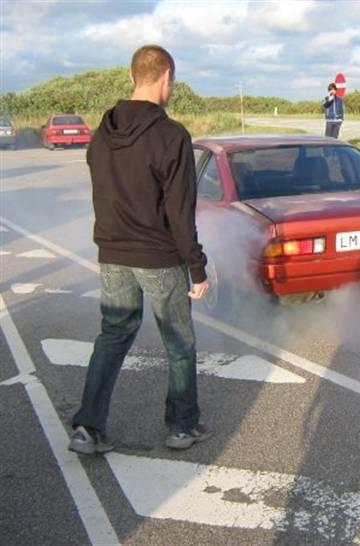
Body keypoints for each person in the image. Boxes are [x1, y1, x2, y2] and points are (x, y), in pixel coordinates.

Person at [69, 44, 211, 455]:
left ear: (133, 77)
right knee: (179, 342)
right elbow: (180, 211)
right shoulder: (172, 135)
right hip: (159, 257)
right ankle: (182, 427)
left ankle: (88, 428)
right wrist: (197, 268)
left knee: (112, 337)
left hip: (112, 254)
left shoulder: (101, 135)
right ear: (167, 77)